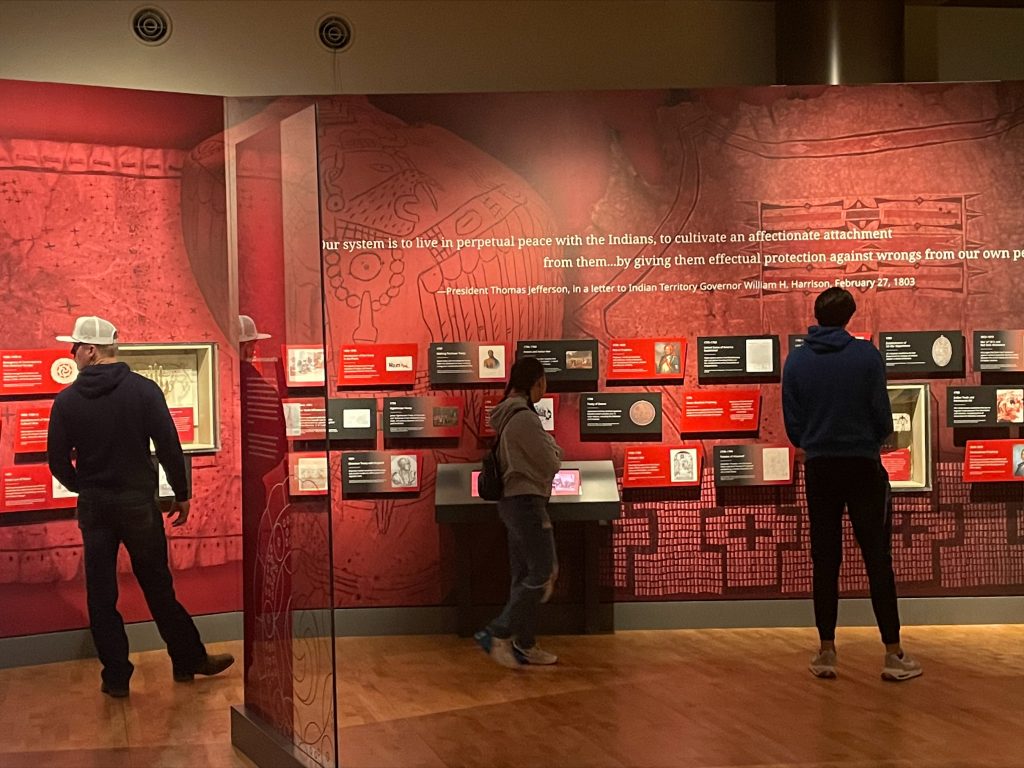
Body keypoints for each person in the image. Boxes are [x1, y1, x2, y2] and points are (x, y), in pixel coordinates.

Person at [47, 316, 234, 698]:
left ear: (90, 350)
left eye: (75, 347)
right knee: (158, 587)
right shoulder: (144, 391)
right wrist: (181, 494)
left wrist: (85, 487)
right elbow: (168, 446)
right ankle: (187, 660)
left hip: (96, 510)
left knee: (101, 596)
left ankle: (116, 677)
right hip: (138, 506)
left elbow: (57, 462)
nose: (72, 354)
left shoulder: (65, 402)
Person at [782, 289, 922, 682]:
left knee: (824, 560)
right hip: (863, 466)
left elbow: (793, 421)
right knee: (878, 558)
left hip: (820, 467)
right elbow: (881, 411)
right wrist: (872, 439)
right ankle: (893, 655)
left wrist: (813, 441)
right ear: (849, 317)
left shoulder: (797, 360)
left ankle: (826, 652)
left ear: (817, 315)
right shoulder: (866, 356)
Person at [474, 357, 563, 668]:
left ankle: (524, 644)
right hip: (527, 502)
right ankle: (496, 632)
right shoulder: (524, 418)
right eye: (544, 381)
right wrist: (553, 447)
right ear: (536, 382)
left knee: (524, 575)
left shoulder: (507, 415)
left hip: (513, 503)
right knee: (544, 571)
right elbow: (552, 461)